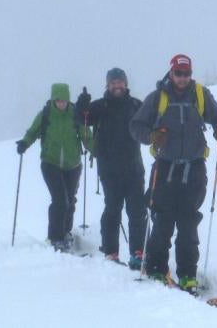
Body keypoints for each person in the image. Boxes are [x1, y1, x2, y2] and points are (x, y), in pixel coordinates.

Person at [130, 54, 217, 293]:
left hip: (194, 169)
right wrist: (151, 136)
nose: (183, 78)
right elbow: (136, 126)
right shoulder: (158, 98)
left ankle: (187, 274)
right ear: (171, 72)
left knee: (188, 223)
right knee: (163, 221)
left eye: (186, 74)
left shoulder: (200, 95)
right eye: (178, 73)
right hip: (165, 168)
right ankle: (155, 268)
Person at [75, 68, 146, 268]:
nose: (117, 86)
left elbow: (153, 120)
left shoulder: (136, 105)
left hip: (134, 169)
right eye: (113, 82)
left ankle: (138, 254)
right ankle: (110, 253)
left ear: (126, 84)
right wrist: (81, 105)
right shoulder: (100, 106)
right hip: (109, 169)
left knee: (137, 211)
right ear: (108, 85)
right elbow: (82, 119)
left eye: (120, 82)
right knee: (113, 210)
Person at [16, 83, 93, 251]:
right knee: (60, 200)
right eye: (58, 100)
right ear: (53, 99)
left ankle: (65, 232)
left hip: (73, 165)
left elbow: (86, 135)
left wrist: (97, 150)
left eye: (64, 100)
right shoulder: (45, 115)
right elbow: (33, 132)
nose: (61, 103)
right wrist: (24, 143)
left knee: (70, 200)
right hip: (50, 163)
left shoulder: (75, 114)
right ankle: (54, 238)